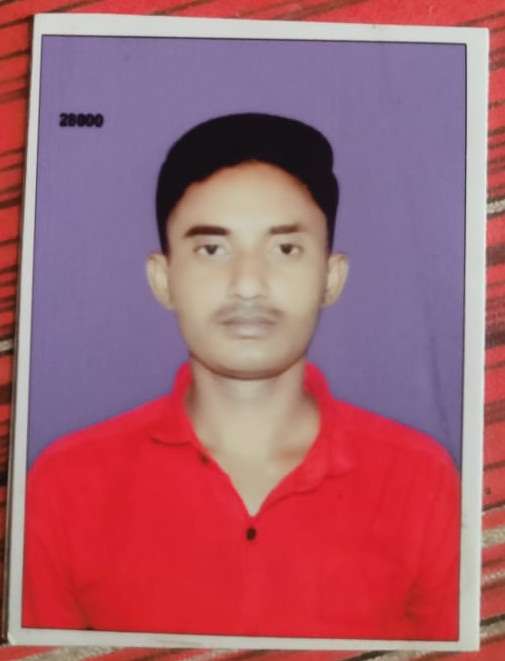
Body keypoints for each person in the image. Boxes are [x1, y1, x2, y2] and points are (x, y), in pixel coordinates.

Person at [22, 113, 460, 641]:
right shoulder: (65, 488)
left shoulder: (421, 483)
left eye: (285, 249)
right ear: (163, 279)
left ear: (331, 277)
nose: (248, 285)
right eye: (212, 250)